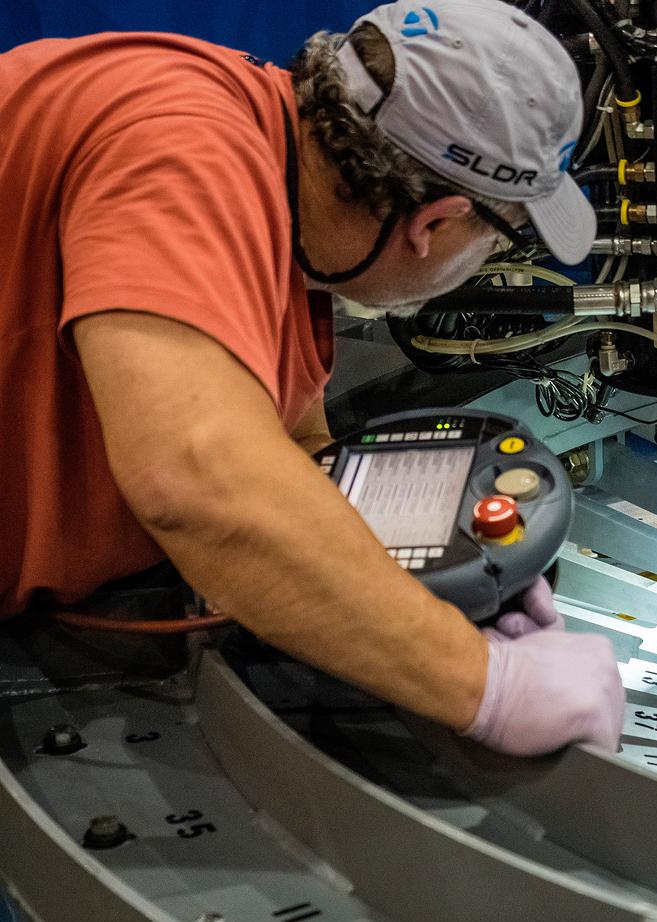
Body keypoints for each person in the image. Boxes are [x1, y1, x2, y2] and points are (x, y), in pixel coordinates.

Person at [0, 0, 624, 757]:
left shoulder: (268, 169)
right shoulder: (181, 149)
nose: (489, 263)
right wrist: (482, 684)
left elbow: (290, 451)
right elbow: (200, 483)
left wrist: (408, 603)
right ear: (434, 224)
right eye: (498, 239)